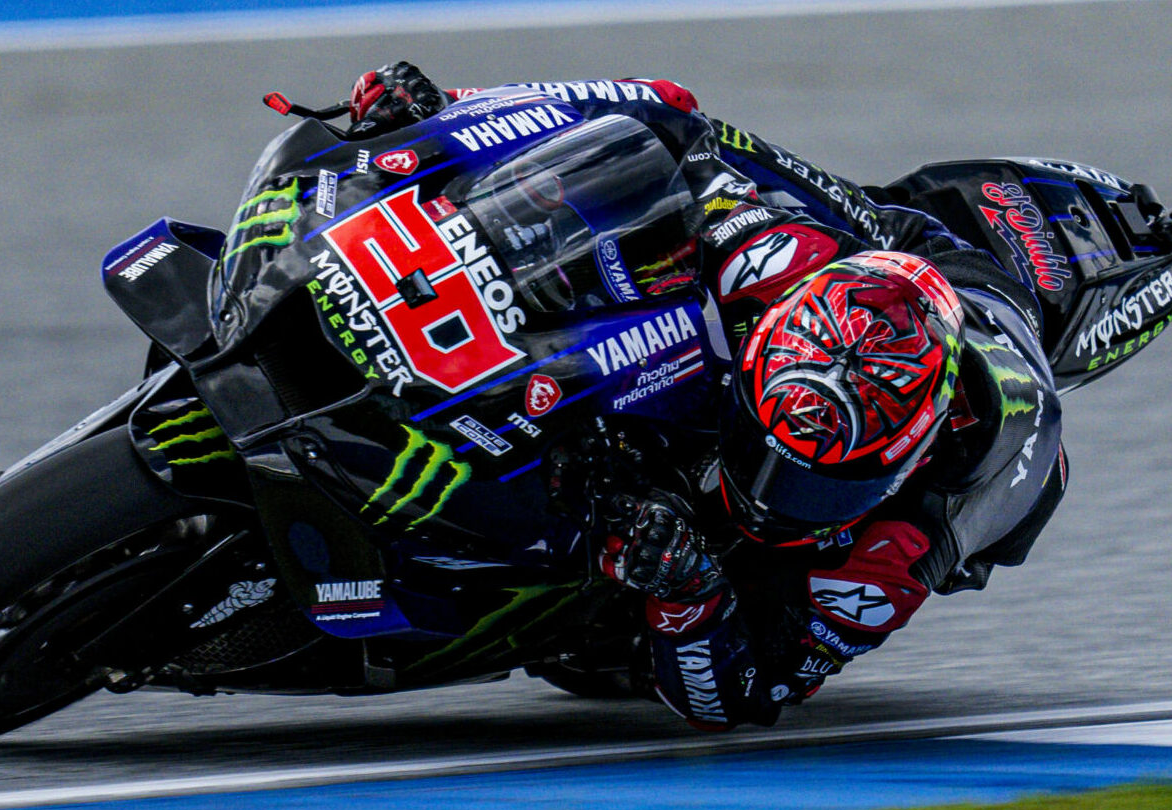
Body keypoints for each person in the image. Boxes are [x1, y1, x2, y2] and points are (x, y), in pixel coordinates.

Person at [347, 63, 1066, 731]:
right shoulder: (766, 255)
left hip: (798, 534)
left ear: (904, 464)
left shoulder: (900, 543)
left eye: (809, 482)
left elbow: (744, 695)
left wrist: (689, 588)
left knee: (607, 647)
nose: (764, 490)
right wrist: (445, 117)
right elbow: (666, 113)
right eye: (764, 451)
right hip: (898, 256)